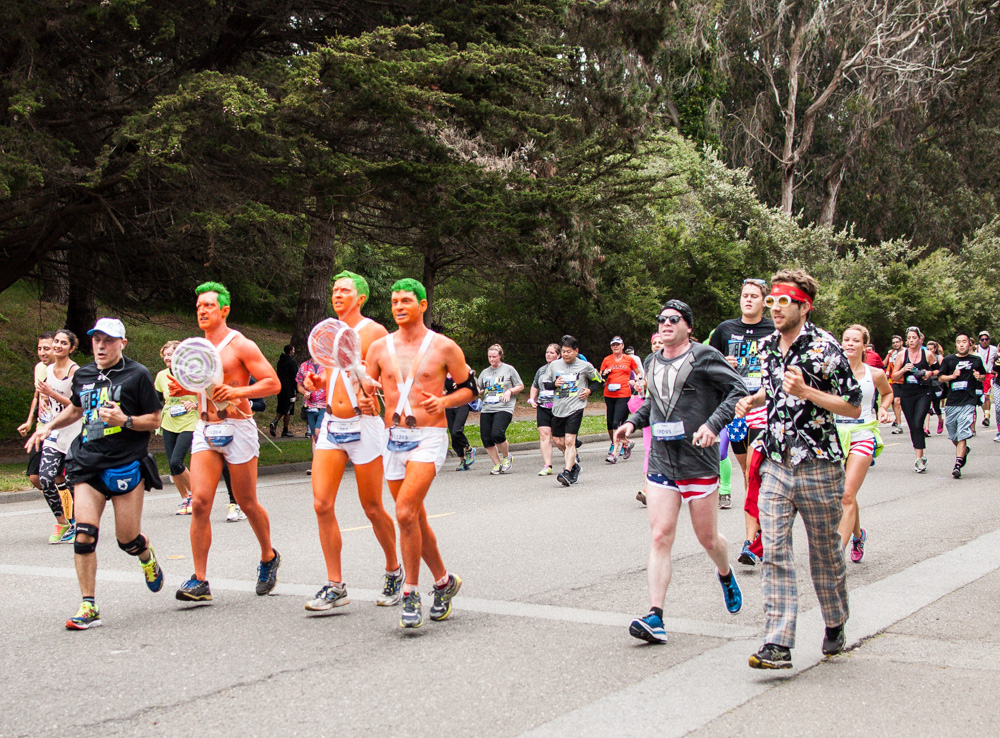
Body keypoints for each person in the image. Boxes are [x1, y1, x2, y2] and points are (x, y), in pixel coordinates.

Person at [735, 269, 862, 669]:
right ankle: (778, 643)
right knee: (774, 551)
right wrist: (755, 400)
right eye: (771, 301)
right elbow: (774, 390)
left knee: (824, 553)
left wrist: (807, 392)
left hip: (819, 465)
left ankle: (835, 621)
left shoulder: (825, 347)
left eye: (783, 301)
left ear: (804, 306)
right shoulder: (769, 346)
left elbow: (853, 405)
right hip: (776, 461)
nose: (774, 308)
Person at [617, 300, 746, 644]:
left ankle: (725, 571)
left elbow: (738, 390)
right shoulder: (650, 361)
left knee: (708, 540)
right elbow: (652, 404)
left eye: (674, 320)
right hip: (661, 462)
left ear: (688, 326)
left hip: (698, 462)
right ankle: (655, 615)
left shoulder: (704, 356)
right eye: (661, 319)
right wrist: (631, 422)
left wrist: (714, 424)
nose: (666, 324)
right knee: (660, 535)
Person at [26, 318, 164, 629]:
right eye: (97, 340)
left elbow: (155, 419)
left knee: (127, 540)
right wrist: (48, 426)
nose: (101, 346)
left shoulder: (138, 374)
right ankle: (88, 605)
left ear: (122, 344)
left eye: (109, 340)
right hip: (87, 464)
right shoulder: (85, 375)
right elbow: (76, 409)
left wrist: (125, 419)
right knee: (85, 534)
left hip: (126, 464)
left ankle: (145, 554)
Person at [364, 278, 473, 628]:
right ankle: (443, 581)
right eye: (394, 301)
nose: (398, 306)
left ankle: (411, 593)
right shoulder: (379, 348)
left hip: (429, 435)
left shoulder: (444, 347)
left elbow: (470, 388)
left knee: (404, 510)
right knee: (414, 519)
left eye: (406, 301)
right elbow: (368, 390)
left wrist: (443, 400)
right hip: (392, 436)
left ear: (422, 305)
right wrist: (365, 400)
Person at [298, 270, 403, 612]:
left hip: (365, 426)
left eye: (345, 290)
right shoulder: (328, 331)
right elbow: (329, 373)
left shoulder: (374, 332)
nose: (337, 294)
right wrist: (316, 381)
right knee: (321, 504)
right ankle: (335, 585)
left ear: (360, 298)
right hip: (331, 423)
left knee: (372, 508)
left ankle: (393, 569)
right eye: (334, 290)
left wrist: (376, 394)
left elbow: (390, 378)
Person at [171, 282, 281, 603]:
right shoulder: (196, 349)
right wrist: (185, 389)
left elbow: (272, 383)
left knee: (246, 503)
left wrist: (237, 392)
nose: (202, 311)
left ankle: (268, 555)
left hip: (239, 428)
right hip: (205, 430)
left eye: (208, 306)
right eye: (198, 307)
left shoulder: (241, 345)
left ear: (224, 310)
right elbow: (205, 386)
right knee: (201, 502)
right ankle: (200, 580)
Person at [708, 278, 774, 519]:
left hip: (764, 404)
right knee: (747, 470)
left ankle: (758, 525)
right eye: (745, 295)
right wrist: (723, 363)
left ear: (764, 302)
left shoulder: (773, 329)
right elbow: (709, 366)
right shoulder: (725, 329)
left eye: (753, 296)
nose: (748, 300)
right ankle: (755, 520)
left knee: (757, 468)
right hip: (736, 406)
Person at [836, 325, 893, 563]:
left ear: (864, 345)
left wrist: (882, 408)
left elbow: (888, 393)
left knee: (847, 495)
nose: (849, 344)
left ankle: (835, 553)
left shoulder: (875, 374)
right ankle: (858, 535)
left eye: (855, 340)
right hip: (836, 436)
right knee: (848, 494)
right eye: (846, 340)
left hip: (863, 434)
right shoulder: (832, 373)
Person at [34, 329, 83, 544]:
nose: (58, 345)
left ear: (71, 348)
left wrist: (52, 394)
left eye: (63, 343)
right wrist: (44, 398)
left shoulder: (76, 372)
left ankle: (81, 525)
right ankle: (62, 522)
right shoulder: (47, 369)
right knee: (45, 478)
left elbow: (77, 406)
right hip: (54, 429)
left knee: (73, 482)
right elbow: (44, 392)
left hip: (74, 430)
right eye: (56, 341)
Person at [540, 335, 599, 486]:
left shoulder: (585, 366)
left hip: (576, 407)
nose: (566, 354)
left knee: (569, 441)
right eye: (564, 351)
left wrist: (589, 391)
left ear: (576, 351)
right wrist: (555, 384)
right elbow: (545, 384)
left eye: (569, 351)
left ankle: (567, 472)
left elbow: (598, 380)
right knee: (558, 441)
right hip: (559, 408)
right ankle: (574, 466)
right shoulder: (554, 366)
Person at [155, 340, 198, 515]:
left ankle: (197, 497)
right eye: (165, 355)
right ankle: (185, 499)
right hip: (169, 422)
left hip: (189, 422)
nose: (167, 358)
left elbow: (207, 395)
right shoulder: (161, 376)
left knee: (176, 461)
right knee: (172, 466)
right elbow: (157, 399)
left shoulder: (193, 373)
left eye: (170, 354)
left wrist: (194, 405)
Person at [938, 334, 986, 479]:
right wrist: (952, 376)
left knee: (963, 432)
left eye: (964, 342)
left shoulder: (976, 360)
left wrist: (979, 376)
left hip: (968, 401)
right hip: (952, 401)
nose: (961, 345)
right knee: (953, 434)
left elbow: (983, 375)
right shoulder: (949, 360)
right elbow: (940, 377)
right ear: (956, 345)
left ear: (969, 344)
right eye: (958, 342)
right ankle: (964, 451)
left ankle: (957, 465)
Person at [891, 327, 937, 473]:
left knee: (918, 422)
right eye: (909, 338)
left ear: (920, 339)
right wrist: (904, 369)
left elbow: (939, 371)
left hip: (923, 392)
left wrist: (928, 373)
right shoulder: (901, 355)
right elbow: (894, 376)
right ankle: (921, 455)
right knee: (912, 425)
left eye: (914, 338)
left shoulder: (927, 354)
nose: (911, 340)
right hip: (907, 393)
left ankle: (919, 458)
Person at [478, 344, 523, 474]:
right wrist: (475, 391)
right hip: (487, 408)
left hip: (504, 407)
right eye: (489, 357)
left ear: (500, 356)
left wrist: (509, 391)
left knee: (497, 434)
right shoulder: (485, 372)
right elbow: (479, 388)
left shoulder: (509, 369)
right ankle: (497, 464)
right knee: (486, 437)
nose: (492, 359)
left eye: (494, 357)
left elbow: (520, 386)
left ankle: (506, 456)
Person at [19, 333, 55, 500]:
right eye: (39, 348)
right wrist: (29, 421)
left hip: (59, 430)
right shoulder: (39, 368)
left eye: (46, 348)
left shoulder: (68, 370)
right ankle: (62, 505)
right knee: (35, 476)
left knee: (60, 477)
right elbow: (37, 395)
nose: (42, 352)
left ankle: (67, 517)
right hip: (41, 427)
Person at [601, 336, 642, 464]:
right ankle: (627, 443)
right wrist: (605, 373)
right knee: (609, 423)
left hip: (623, 393)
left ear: (622, 346)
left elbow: (639, 373)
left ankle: (615, 453)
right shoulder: (607, 359)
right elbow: (601, 375)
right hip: (609, 394)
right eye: (613, 345)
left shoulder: (629, 359)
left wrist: (635, 381)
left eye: (618, 344)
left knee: (616, 423)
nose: (615, 346)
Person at [635, 333, 666, 505]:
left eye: (660, 342)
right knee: (649, 449)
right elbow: (646, 384)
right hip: (651, 411)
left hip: (670, 413)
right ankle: (648, 488)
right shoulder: (649, 361)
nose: (657, 345)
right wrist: (640, 384)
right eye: (654, 343)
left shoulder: (677, 361)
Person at [528, 344, 561, 475]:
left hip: (559, 407)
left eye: (552, 353)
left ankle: (571, 457)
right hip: (543, 406)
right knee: (544, 435)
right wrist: (532, 398)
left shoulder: (562, 368)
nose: (548, 355)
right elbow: (535, 385)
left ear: (558, 355)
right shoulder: (541, 370)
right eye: (547, 352)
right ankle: (547, 465)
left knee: (559, 440)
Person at [296, 351, 327, 470]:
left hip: (324, 405)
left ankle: (323, 462)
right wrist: (305, 392)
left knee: (319, 432)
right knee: (314, 435)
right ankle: (316, 465)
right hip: (310, 406)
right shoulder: (304, 366)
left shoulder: (327, 366)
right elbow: (299, 384)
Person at [445, 366, 477, 471]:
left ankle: (469, 448)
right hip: (449, 405)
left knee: (456, 431)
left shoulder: (460, 365)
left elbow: (473, 381)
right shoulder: (441, 371)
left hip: (462, 403)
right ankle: (462, 460)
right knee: (452, 434)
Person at [270, 344, 298, 438]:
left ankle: (275, 422)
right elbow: (294, 377)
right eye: (293, 350)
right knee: (288, 409)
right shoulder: (292, 362)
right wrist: (297, 390)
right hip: (289, 389)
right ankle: (285, 430)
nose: (294, 351)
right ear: (290, 351)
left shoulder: (280, 361)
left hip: (280, 387)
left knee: (282, 406)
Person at [974, 331, 997, 431]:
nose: (984, 341)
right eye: (982, 339)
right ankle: (985, 412)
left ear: (989, 340)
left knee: (987, 395)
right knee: (980, 397)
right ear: (979, 340)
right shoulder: (976, 348)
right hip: (978, 374)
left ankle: (987, 417)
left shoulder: (994, 349)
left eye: (986, 339)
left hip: (988, 374)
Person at [884, 335, 905, 434]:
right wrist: (888, 372)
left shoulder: (907, 352)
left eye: (897, 342)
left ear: (902, 342)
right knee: (896, 401)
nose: (895, 344)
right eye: (893, 342)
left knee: (907, 403)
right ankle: (899, 425)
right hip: (896, 380)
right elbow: (889, 365)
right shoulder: (891, 353)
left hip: (906, 380)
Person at [923, 340, 944, 436]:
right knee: (927, 405)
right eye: (928, 349)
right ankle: (926, 428)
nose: (930, 351)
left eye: (932, 349)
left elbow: (943, 370)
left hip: (937, 383)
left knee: (936, 406)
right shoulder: (925, 357)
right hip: (927, 383)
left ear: (935, 349)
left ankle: (940, 420)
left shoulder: (938, 358)